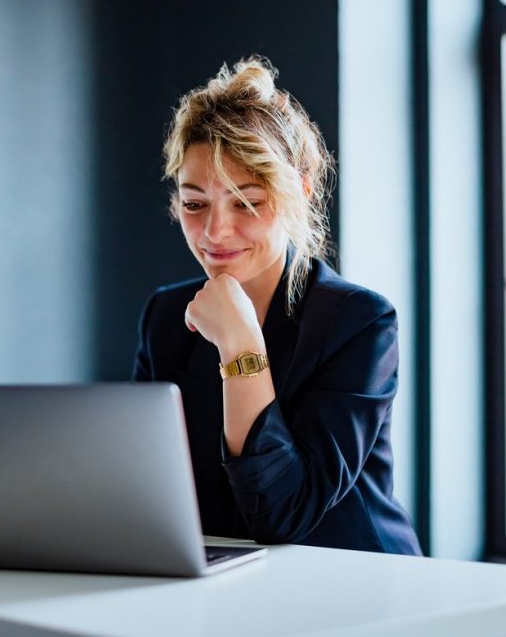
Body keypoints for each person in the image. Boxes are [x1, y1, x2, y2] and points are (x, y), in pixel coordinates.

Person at [132, 55, 422, 556]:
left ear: (299, 196)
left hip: (359, 591)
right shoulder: (166, 317)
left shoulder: (360, 323)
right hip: (225, 591)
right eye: (195, 203)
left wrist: (240, 343)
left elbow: (284, 513)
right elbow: (142, 487)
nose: (215, 232)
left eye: (246, 202)